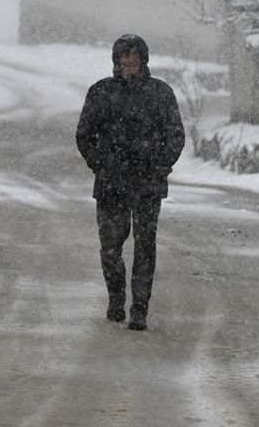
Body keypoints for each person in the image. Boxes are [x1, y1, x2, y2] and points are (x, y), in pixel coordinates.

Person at [75, 34, 186, 331]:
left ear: (144, 59)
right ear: (117, 59)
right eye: (125, 55)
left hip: (148, 185)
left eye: (135, 55)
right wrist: (101, 165)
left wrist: (159, 166)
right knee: (110, 248)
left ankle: (139, 308)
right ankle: (116, 299)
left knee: (145, 247)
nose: (130, 60)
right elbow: (84, 135)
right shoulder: (101, 92)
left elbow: (175, 135)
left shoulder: (160, 93)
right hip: (110, 184)